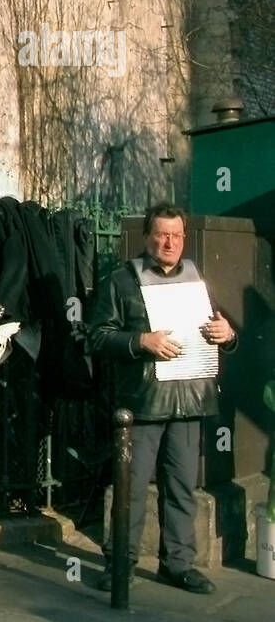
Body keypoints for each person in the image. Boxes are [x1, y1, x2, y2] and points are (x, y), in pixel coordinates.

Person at [87, 202, 236, 594]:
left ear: (184, 238)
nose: (170, 242)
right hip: (143, 403)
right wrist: (140, 341)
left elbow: (218, 326)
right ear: (148, 237)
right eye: (162, 234)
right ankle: (120, 563)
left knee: (182, 487)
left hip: (190, 399)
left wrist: (228, 335)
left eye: (176, 235)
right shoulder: (121, 280)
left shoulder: (197, 277)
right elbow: (96, 336)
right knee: (130, 488)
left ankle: (179, 564)